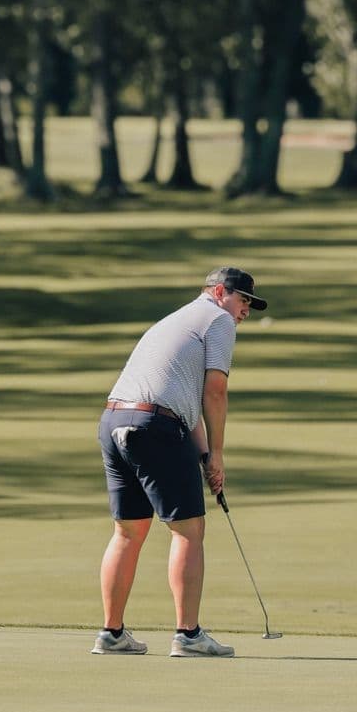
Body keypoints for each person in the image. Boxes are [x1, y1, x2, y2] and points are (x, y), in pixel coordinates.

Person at [92, 265, 268, 657]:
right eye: (243, 301)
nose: (246, 312)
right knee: (188, 531)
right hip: (155, 426)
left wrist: (205, 457)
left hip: (116, 421)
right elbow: (215, 392)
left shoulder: (175, 320)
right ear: (220, 292)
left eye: (252, 306)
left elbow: (179, 400)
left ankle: (111, 633)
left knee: (127, 532)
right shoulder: (218, 320)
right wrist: (219, 454)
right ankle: (188, 636)